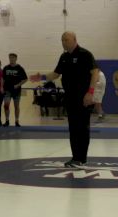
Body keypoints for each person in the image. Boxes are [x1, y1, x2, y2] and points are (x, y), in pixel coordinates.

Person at [30, 31, 99, 167]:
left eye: (66, 40)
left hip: (83, 97)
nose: (63, 42)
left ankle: (81, 158)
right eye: (62, 40)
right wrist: (42, 77)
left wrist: (90, 93)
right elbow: (55, 74)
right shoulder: (64, 57)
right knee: (73, 128)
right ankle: (76, 158)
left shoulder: (85, 54)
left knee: (82, 128)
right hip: (70, 97)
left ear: (74, 40)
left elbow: (94, 73)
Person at [2, 53, 28, 127]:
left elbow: (25, 79)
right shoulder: (6, 68)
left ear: (16, 59)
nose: (11, 59)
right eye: (10, 58)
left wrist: (18, 85)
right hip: (7, 90)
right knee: (6, 105)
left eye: (13, 58)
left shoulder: (20, 68)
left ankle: (16, 121)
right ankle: (7, 120)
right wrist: (1, 87)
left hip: (16, 90)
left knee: (16, 106)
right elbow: (3, 78)